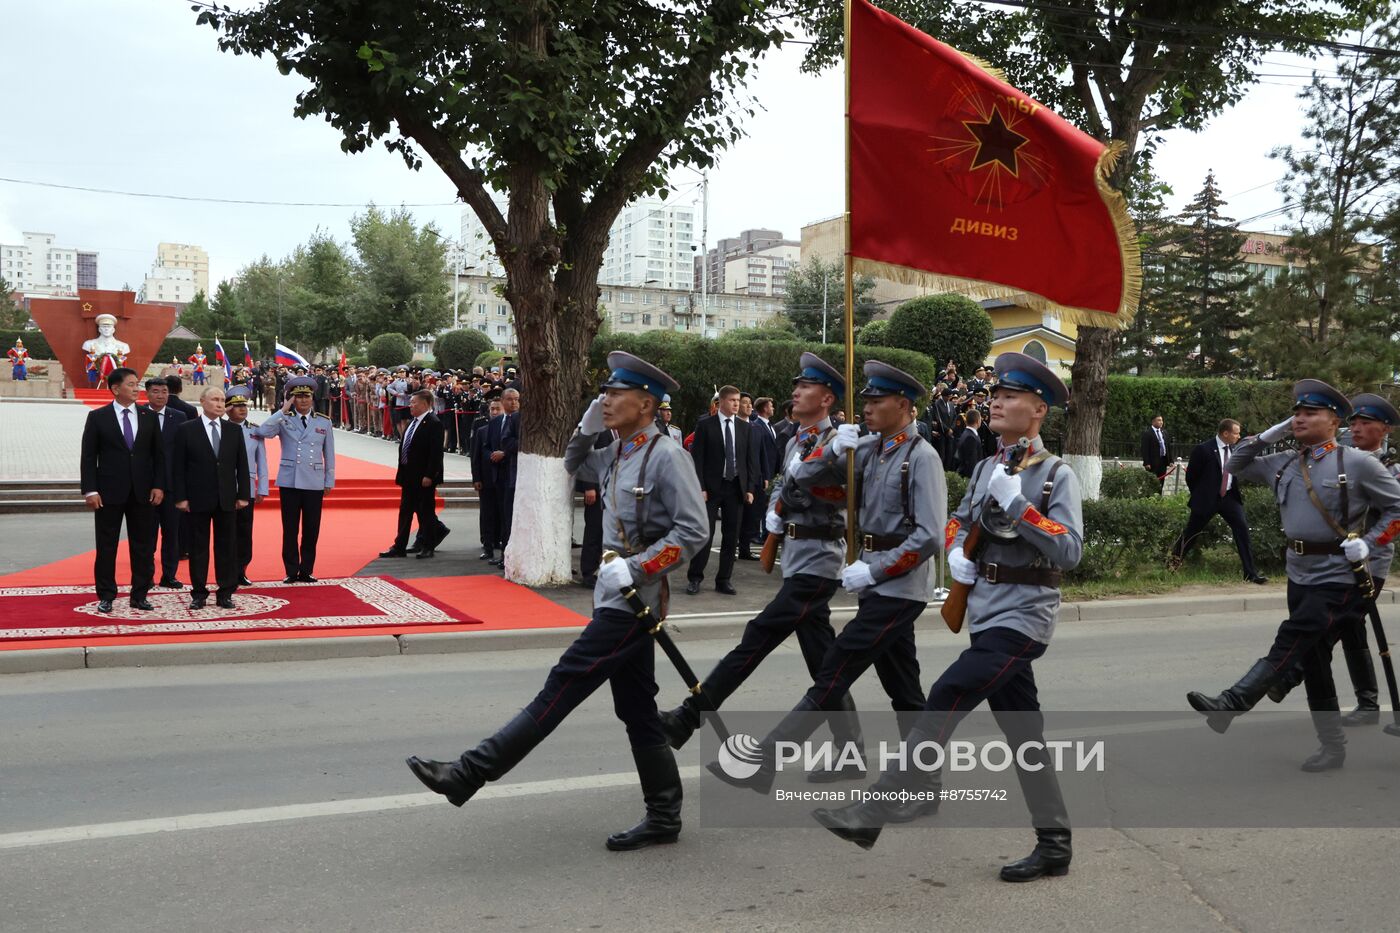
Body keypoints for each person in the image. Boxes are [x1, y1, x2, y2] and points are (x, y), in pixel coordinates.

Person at [406, 351, 709, 851]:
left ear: (647, 404)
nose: (607, 400)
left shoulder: (666, 455)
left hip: (635, 601)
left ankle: (469, 773)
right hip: (614, 596)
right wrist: (587, 428)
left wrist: (635, 568)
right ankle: (664, 814)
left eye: (616, 395)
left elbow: (694, 530)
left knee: (563, 684)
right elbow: (573, 464)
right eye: (605, 394)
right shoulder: (620, 451)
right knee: (637, 709)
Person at [814, 351, 1081, 883]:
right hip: (986, 614)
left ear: (1039, 412)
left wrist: (1023, 510)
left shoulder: (1055, 476)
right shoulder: (986, 467)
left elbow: (1069, 551)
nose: (997, 402)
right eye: (997, 395)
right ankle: (1054, 843)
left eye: (1010, 397)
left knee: (945, 692)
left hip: (1023, 620)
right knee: (1024, 732)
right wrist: (957, 552)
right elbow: (958, 521)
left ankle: (877, 808)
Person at [707, 360, 943, 802]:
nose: (867, 407)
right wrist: (833, 451)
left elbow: (929, 535)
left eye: (877, 401)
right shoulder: (871, 449)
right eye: (866, 400)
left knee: (833, 671)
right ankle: (926, 784)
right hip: (876, 584)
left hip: (900, 585)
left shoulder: (921, 457)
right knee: (905, 690)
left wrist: (874, 568)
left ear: (905, 406)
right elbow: (801, 476)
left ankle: (765, 761)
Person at [659, 353, 868, 775]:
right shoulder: (796, 440)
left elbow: (825, 490)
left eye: (806, 387)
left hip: (820, 562)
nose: (796, 391)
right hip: (797, 558)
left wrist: (823, 463)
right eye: (796, 384)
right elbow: (783, 486)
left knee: (755, 639)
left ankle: (687, 717)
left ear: (827, 398)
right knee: (823, 662)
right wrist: (776, 509)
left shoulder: (842, 445)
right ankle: (853, 754)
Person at [1186, 380, 1400, 772]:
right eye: (1296, 412)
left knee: (1295, 634)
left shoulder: (1358, 463)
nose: (1300, 418)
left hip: (1339, 573)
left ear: (1334, 421)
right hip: (1299, 572)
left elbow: (1397, 508)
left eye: (1310, 413)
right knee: (1315, 658)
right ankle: (1332, 746)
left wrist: (1370, 542)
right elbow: (1233, 465)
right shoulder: (1285, 461)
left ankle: (1233, 701)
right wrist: (1274, 431)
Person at [1267, 393, 1400, 725]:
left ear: (1384, 429)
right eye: (1353, 421)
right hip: (1333, 564)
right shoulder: (1335, 459)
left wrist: (1370, 545)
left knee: (1330, 628)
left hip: (1371, 559)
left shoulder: (1390, 468)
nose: (1356, 428)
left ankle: (1289, 673)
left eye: (1365, 423)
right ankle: (1367, 702)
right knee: (1352, 628)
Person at [80, 368, 166, 613]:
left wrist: (159, 485)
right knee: (107, 546)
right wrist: (90, 490)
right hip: (108, 492)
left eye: (137, 383)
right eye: (131, 384)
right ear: (116, 389)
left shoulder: (148, 416)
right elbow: (88, 457)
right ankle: (106, 595)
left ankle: (140, 594)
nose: (137, 388)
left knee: (142, 546)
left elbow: (158, 456)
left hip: (143, 492)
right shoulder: (98, 417)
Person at [252, 376, 336, 583]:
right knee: (290, 529)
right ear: (292, 399)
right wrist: (282, 410)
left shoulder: (323, 421)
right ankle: (291, 570)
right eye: (298, 397)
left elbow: (329, 453)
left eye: (307, 396)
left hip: (314, 481)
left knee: (311, 528)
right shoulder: (284, 418)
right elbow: (262, 431)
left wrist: (329, 481)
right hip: (290, 481)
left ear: (312, 398)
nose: (304, 400)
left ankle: (306, 570)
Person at [172, 386, 250, 609]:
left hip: (226, 498)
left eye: (222, 400)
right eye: (214, 399)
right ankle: (199, 593)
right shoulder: (186, 429)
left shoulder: (233, 430)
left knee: (227, 547)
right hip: (197, 498)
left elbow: (242, 465)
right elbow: (178, 468)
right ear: (202, 401)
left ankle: (225, 591)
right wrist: (181, 497)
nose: (219, 403)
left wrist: (243, 494)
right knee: (198, 548)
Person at [1170, 419, 1266, 584]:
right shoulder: (1203, 449)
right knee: (1191, 532)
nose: (1238, 436)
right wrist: (1201, 495)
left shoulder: (1235, 449)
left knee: (1242, 530)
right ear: (1225, 433)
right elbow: (1191, 476)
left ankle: (1250, 574)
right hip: (1208, 499)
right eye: (1236, 433)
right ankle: (1171, 566)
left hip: (1229, 498)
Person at [685, 385, 756, 596]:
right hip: (711, 488)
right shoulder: (706, 425)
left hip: (735, 487)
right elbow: (697, 459)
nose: (737, 404)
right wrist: (700, 487)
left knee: (731, 536)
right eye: (733, 400)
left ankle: (724, 579)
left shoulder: (745, 427)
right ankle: (695, 577)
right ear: (722, 402)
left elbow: (749, 461)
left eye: (738, 400)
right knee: (705, 534)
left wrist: (750, 488)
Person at [379, 389, 450, 560]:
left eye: (414, 403)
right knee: (406, 511)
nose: (410, 405)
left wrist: (429, 475)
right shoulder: (413, 421)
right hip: (409, 475)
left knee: (425, 512)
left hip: (423, 477)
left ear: (425, 404)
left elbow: (435, 454)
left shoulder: (433, 423)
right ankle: (399, 546)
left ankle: (428, 545)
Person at [140, 377, 188, 589]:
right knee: (147, 536)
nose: (160, 395)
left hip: (172, 486)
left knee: (172, 534)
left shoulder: (179, 417)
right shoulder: (138, 415)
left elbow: (184, 452)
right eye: (156, 391)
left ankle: (169, 575)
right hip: (146, 486)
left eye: (164, 392)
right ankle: (146, 576)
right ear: (147, 393)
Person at [224, 385, 268, 586]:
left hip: (247, 488)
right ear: (228, 408)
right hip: (224, 488)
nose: (242, 409)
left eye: (244, 405)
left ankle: (241, 569)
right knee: (226, 530)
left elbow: (262, 462)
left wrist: (262, 488)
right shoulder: (220, 429)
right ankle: (227, 570)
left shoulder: (254, 431)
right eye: (237, 406)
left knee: (244, 530)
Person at [740, 396, 779, 561]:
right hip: (738, 478)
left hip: (756, 478)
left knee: (753, 515)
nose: (749, 406)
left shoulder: (756, 428)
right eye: (745, 403)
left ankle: (744, 548)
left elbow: (762, 453)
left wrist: (765, 475)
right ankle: (736, 546)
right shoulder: (733, 426)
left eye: (750, 403)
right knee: (737, 516)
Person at [471, 395, 505, 561]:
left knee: (503, 514)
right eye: (492, 409)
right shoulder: (481, 431)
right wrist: (476, 478)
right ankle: (488, 546)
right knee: (487, 514)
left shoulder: (510, 429)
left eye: (498, 409)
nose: (495, 412)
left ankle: (503, 548)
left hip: (504, 479)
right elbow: (475, 456)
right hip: (486, 479)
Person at [1140, 414, 1170, 490]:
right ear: (1153, 422)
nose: (1161, 422)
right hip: (1152, 463)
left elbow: (1168, 447)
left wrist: (1171, 460)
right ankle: (1150, 498)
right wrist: (1147, 462)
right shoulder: (1147, 433)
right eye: (1159, 420)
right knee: (1152, 482)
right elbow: (1144, 449)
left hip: (1163, 461)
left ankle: (1158, 499)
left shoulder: (1164, 432)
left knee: (1161, 482)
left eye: (1162, 420)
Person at [954, 408, 984, 478]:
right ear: (977, 421)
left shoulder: (967, 433)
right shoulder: (970, 438)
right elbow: (971, 463)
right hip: (969, 477)